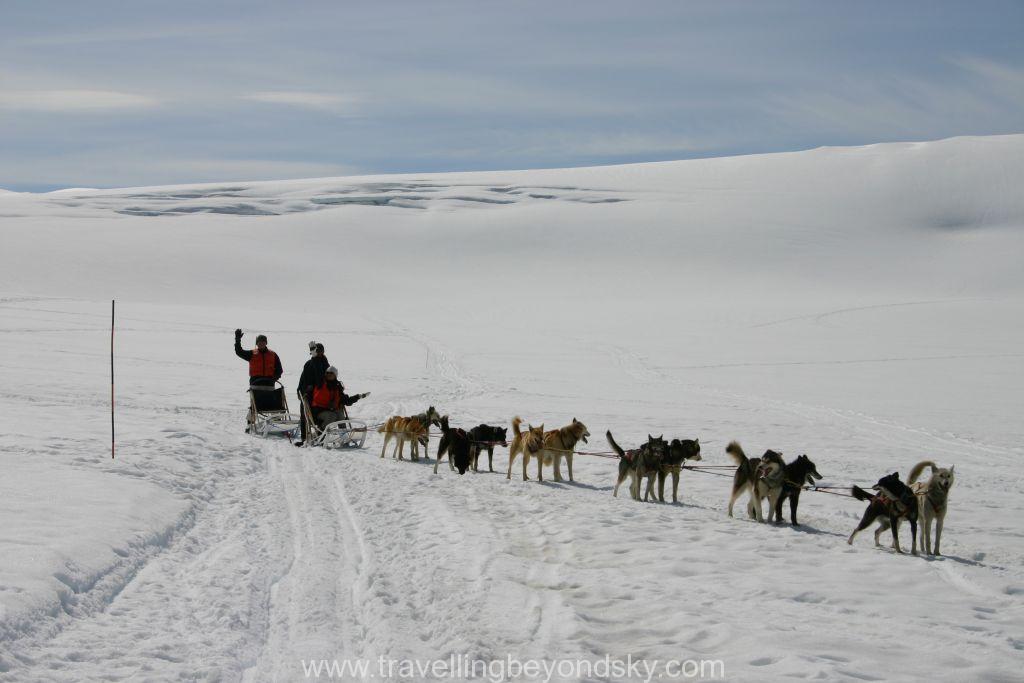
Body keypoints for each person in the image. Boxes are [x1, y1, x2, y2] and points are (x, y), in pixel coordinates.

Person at [235, 329, 283, 426]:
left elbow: (279, 370)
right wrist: (237, 340)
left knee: (274, 405)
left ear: (266, 343)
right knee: (254, 406)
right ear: (256, 344)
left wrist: (274, 378)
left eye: (263, 342)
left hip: (269, 386)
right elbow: (239, 352)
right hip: (256, 386)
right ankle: (250, 424)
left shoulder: (273, 355)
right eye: (259, 342)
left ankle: (278, 423)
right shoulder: (252, 354)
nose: (261, 344)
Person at [309, 366, 368, 431]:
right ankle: (320, 433)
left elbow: (345, 400)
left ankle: (343, 435)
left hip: (331, 410)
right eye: (327, 373)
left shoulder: (337, 386)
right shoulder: (320, 383)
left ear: (335, 375)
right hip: (318, 411)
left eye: (331, 373)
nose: (329, 374)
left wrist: (357, 397)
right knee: (332, 416)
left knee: (340, 415)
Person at [296, 343, 330, 445]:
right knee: (304, 414)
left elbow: (322, 378)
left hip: (322, 394)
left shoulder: (325, 363)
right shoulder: (309, 364)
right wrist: (301, 391)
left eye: (320, 351)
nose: (319, 353)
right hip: (309, 393)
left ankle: (320, 434)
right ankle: (304, 438)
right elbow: (303, 380)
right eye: (317, 351)